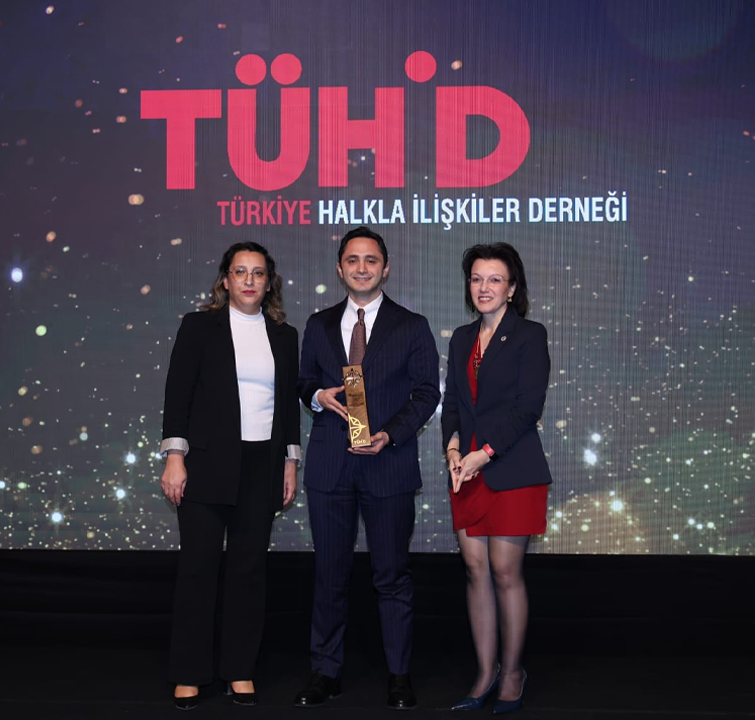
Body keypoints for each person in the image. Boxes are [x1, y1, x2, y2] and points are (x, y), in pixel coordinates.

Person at [293, 226, 440, 710]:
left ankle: (399, 676)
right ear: (339, 269)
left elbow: (426, 393)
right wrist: (318, 396)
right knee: (329, 575)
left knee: (392, 575)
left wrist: (390, 434)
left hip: (388, 464)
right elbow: (304, 382)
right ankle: (325, 672)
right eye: (353, 260)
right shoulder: (318, 324)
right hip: (330, 465)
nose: (362, 268)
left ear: (386, 268)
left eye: (371, 260)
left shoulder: (411, 325)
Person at [159, 241, 301, 710]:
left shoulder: (284, 335)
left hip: (262, 465)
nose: (249, 280)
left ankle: (239, 669)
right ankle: (189, 673)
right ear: (225, 279)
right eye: (240, 271)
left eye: (258, 273)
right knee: (198, 569)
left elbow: (287, 406)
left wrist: (290, 461)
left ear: (269, 282)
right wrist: (175, 457)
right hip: (205, 464)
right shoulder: (199, 326)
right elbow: (178, 394)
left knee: (248, 571)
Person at [441, 243, 552, 714]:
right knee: (475, 571)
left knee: (506, 572)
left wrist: (482, 455)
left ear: (511, 288)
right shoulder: (461, 338)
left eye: (494, 279)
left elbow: (528, 408)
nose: (484, 287)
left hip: (510, 468)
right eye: (476, 279)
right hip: (465, 470)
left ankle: (512, 673)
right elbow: (452, 404)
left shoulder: (529, 334)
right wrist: (452, 449)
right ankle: (485, 673)